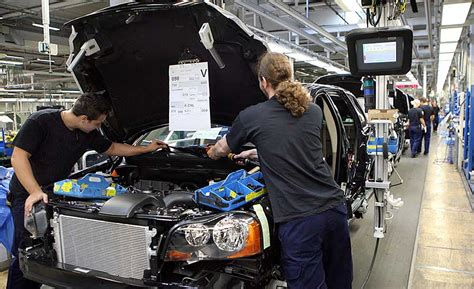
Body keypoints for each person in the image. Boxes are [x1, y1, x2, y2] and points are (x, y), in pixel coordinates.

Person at [207, 52, 352, 289]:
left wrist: (212, 152)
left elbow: (222, 148)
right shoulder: (313, 111)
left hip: (300, 219)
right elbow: (297, 146)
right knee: (340, 282)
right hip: (334, 210)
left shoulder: (251, 116)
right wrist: (258, 152)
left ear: (263, 81)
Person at [7, 92, 167, 289]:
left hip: (53, 193)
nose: (99, 128)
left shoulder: (86, 132)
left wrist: (145, 149)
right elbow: (18, 157)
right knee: (28, 250)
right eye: (98, 123)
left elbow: (112, 148)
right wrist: (34, 191)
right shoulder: (40, 122)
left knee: (50, 250)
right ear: (84, 119)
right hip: (27, 194)